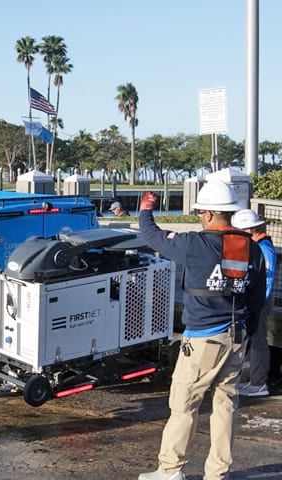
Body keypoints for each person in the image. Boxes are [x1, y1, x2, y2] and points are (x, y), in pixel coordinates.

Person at [137, 181, 266, 480]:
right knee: (225, 406)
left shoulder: (196, 244)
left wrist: (145, 210)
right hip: (236, 336)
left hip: (203, 341)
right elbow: (257, 299)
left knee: (184, 405)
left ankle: (170, 470)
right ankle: (218, 474)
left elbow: (153, 236)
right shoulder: (253, 250)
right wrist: (249, 337)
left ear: (208, 214)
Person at [232, 208, 276, 397]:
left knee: (258, 340)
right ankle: (252, 380)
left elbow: (268, 278)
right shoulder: (260, 245)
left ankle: (258, 383)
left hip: (259, 301)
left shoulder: (263, 248)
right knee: (253, 339)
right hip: (255, 300)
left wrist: (257, 304)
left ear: (249, 230)